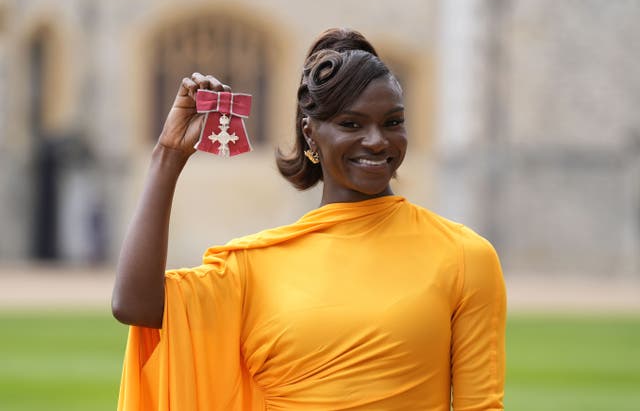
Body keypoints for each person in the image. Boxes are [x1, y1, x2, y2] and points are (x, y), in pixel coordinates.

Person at [112, 27, 506, 410]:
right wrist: (168, 155)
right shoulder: (256, 266)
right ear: (311, 134)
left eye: (393, 122)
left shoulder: (464, 256)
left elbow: (481, 406)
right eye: (351, 124)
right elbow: (134, 304)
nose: (377, 140)